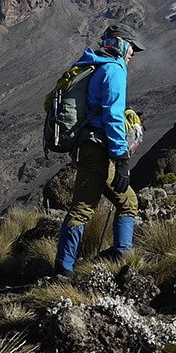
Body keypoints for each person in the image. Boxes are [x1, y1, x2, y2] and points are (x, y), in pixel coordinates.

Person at [54, 23, 145, 278]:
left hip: (88, 146)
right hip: (99, 149)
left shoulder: (94, 65)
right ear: (121, 43)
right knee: (100, 205)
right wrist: (121, 157)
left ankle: (68, 265)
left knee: (116, 202)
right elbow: (113, 117)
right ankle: (113, 258)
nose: (132, 54)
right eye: (131, 48)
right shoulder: (113, 70)